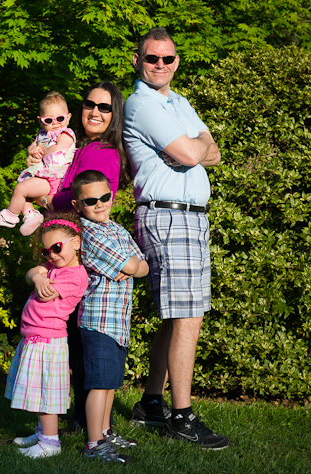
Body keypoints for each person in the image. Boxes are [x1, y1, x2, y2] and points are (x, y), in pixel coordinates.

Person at [123, 27, 229, 450]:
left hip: (189, 217)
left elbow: (212, 152)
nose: (160, 66)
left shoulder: (178, 102)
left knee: (176, 314)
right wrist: (191, 146)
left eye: (167, 59)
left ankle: (151, 402)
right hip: (168, 216)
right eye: (152, 59)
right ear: (137, 60)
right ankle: (181, 417)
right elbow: (191, 154)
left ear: (177, 62)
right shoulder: (141, 104)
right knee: (188, 316)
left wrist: (194, 144)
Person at [30, 81, 131, 436]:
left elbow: (79, 196)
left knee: (82, 339)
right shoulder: (81, 145)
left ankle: (94, 427)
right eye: (90, 104)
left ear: (114, 114)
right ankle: (84, 422)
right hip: (70, 247)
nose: (96, 112)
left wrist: (45, 200)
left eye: (105, 108)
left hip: (83, 250)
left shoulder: (101, 152)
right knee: (74, 338)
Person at [70, 170, 148, 463]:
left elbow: (142, 265)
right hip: (98, 320)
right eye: (91, 201)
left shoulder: (116, 228)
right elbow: (130, 262)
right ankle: (94, 443)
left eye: (105, 197)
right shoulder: (89, 233)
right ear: (78, 205)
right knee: (99, 384)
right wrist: (131, 266)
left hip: (118, 322)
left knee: (111, 383)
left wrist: (132, 267)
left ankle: (105, 430)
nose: (100, 204)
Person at [5, 214, 89, 458]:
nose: (52, 255)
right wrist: (38, 275)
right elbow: (31, 274)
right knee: (37, 389)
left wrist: (41, 277)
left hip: (47, 340)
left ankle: (50, 443)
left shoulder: (74, 275)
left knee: (44, 392)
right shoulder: (55, 268)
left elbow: (46, 293)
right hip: (35, 338)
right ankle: (43, 431)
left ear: (76, 243)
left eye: (57, 247)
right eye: (46, 251)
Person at [0, 91, 77, 236]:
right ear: (41, 121)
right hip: (44, 176)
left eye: (59, 118)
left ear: (68, 117)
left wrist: (44, 151)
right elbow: (32, 147)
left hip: (55, 179)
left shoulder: (66, 133)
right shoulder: (42, 135)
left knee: (21, 189)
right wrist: (32, 149)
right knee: (23, 187)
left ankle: (10, 216)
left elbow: (61, 147)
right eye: (49, 120)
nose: (55, 123)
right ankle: (30, 214)